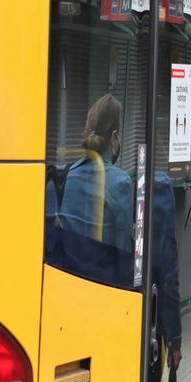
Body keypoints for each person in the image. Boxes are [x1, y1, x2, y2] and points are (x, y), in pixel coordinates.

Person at [49, 94, 135, 285]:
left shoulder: (67, 175)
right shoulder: (120, 183)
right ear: (114, 137)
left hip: (67, 287)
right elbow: (123, 261)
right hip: (102, 292)